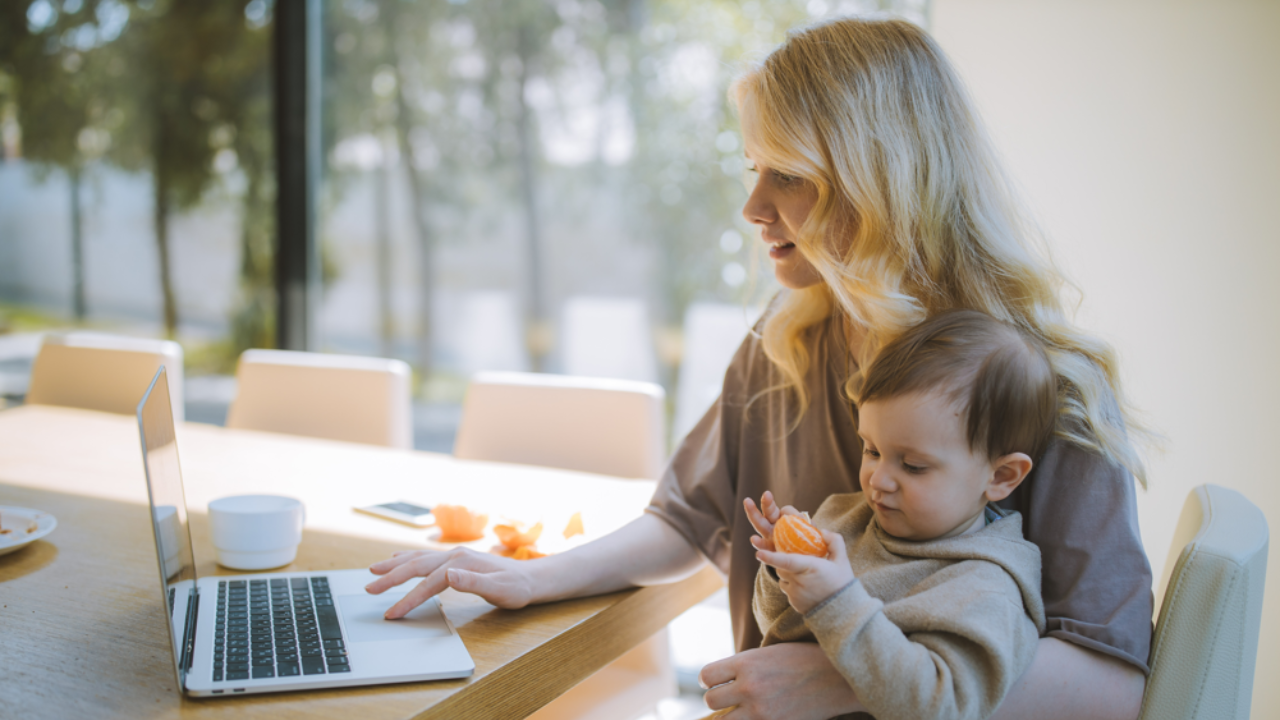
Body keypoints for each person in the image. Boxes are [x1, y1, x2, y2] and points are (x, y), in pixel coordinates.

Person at [365, 16, 1153, 720]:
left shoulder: (1050, 386)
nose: (753, 208)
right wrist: (534, 577)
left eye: (792, 176)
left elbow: (1113, 685)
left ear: (882, 185)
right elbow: (685, 520)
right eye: (754, 169)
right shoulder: (785, 342)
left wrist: (845, 680)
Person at [746, 309, 1056, 720]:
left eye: (912, 466)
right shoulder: (844, 517)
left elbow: (940, 707)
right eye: (872, 450)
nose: (879, 480)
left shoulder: (985, 588)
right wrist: (783, 572)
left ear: (1001, 476)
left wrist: (837, 602)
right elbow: (778, 627)